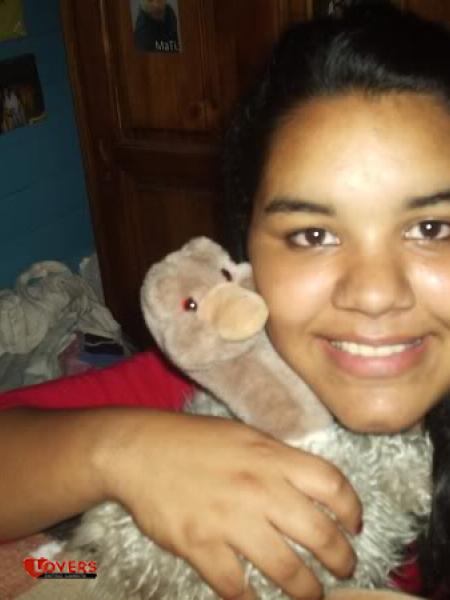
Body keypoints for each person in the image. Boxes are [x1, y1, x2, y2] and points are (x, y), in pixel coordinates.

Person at [1, 3, 448, 599]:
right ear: (245, 259)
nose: (373, 294)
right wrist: (122, 451)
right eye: (313, 235)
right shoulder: (232, 374)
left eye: (432, 228)